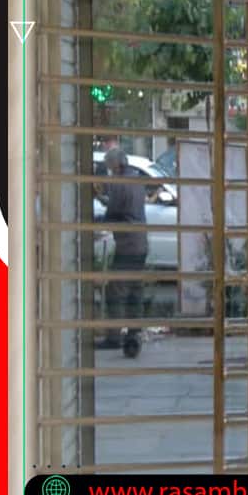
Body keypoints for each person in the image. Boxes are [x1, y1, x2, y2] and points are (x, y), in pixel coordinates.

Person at [100, 146, 148, 351]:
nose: (109, 171)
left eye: (110, 167)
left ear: (116, 165)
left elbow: (114, 213)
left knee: (116, 291)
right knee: (135, 291)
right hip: (141, 243)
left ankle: (114, 337)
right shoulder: (136, 179)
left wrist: (99, 218)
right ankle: (134, 334)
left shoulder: (120, 183)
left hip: (127, 245)